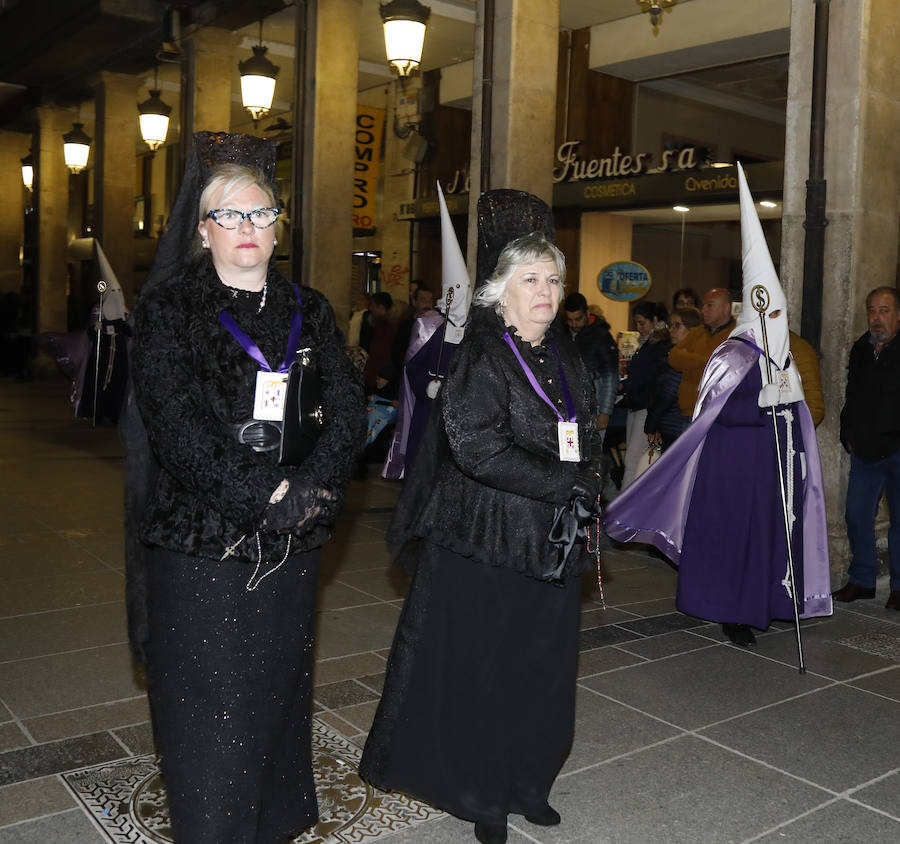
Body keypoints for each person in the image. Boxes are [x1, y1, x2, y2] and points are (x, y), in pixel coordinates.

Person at [128, 137, 365, 843]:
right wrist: (264, 495)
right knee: (213, 714)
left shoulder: (311, 307)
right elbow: (176, 426)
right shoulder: (171, 311)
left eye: (261, 214)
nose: (247, 230)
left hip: (294, 541)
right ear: (202, 230)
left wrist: (314, 489)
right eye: (228, 216)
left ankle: (271, 824)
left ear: (278, 226)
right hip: (203, 549)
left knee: (275, 697)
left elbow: (347, 408)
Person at [359, 209, 605, 844]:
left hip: (552, 539)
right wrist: (565, 484)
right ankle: (479, 789)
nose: (546, 292)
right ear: (501, 289)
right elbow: (477, 448)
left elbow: (587, 433)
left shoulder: (565, 354)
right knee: (487, 667)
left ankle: (528, 779)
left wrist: (595, 477)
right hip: (486, 534)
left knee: (544, 665)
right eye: (531, 279)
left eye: (553, 279)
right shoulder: (482, 353)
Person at [603, 163, 832, 648]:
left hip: (768, 465)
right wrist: (764, 407)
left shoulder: (790, 354)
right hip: (728, 463)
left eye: (777, 312)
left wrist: (787, 405)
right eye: (765, 311)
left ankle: (762, 605)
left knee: (763, 540)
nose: (771, 318)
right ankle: (728, 610)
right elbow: (711, 411)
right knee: (729, 539)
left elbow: (809, 410)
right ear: (750, 311)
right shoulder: (729, 353)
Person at [833, 286, 900, 610]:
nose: (877, 318)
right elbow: (853, 395)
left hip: (898, 449)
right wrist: (848, 431)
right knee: (857, 515)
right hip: (865, 450)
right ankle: (862, 581)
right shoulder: (861, 348)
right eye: (872, 310)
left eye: (884, 310)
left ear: (898, 315)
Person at [619, 300, 669, 487]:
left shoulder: (658, 345)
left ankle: (623, 511)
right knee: (635, 461)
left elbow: (653, 380)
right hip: (640, 404)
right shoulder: (651, 344)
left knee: (634, 462)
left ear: (655, 320)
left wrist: (627, 386)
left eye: (642, 323)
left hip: (646, 407)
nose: (639, 328)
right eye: (637, 323)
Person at [668, 286, 736, 418]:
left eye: (709, 306)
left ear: (726, 308)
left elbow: (727, 368)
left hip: (719, 413)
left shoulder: (737, 334)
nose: (703, 310)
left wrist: (692, 362)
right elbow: (674, 357)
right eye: (703, 305)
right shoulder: (697, 332)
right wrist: (708, 361)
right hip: (689, 411)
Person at [564, 291, 619, 442]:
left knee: (592, 456)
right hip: (567, 407)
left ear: (587, 313)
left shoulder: (601, 336)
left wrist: (605, 412)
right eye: (570, 320)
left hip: (594, 407)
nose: (574, 324)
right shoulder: (561, 334)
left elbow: (610, 377)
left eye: (578, 319)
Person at [645, 305, 702, 451]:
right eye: (671, 325)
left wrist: (651, 425)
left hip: (676, 426)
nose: (671, 330)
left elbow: (667, 394)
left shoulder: (683, 357)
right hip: (678, 424)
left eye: (677, 325)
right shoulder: (679, 353)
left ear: (693, 329)